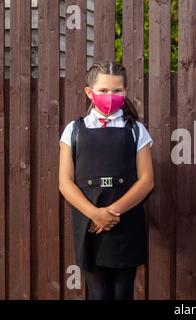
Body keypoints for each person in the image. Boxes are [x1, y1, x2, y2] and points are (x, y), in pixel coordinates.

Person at [59, 61, 154, 300]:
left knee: (123, 293)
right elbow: (65, 182)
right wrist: (94, 213)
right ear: (90, 92)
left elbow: (146, 181)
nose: (110, 96)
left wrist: (109, 213)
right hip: (90, 224)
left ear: (125, 92)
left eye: (117, 90)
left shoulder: (136, 130)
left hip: (126, 221)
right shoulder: (74, 130)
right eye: (103, 90)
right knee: (99, 294)